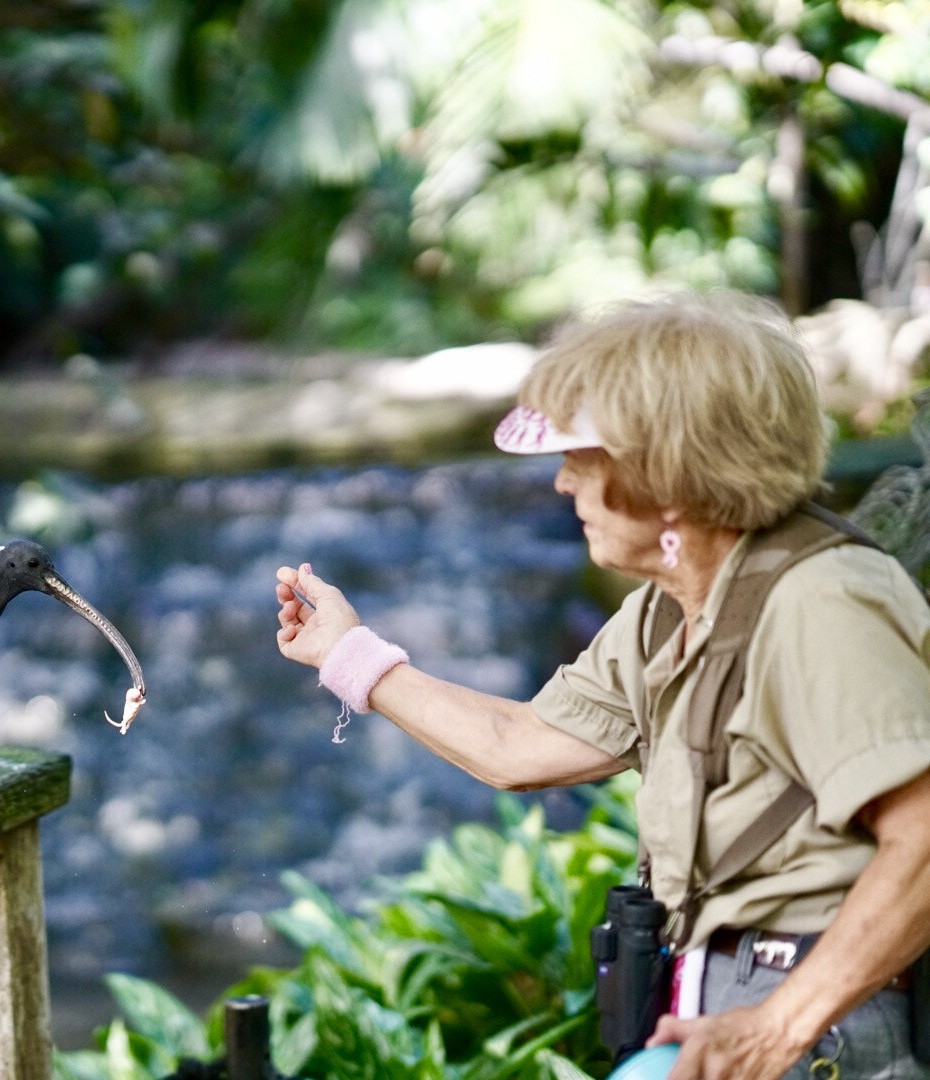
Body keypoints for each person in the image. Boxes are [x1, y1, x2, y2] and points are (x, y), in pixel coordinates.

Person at [274, 292, 930, 1080]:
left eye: (582, 458)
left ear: (670, 471)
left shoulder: (821, 602)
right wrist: (349, 653)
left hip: (819, 1034)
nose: (561, 485)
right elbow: (519, 748)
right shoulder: (670, 608)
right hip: (724, 1009)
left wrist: (775, 1029)